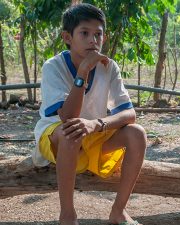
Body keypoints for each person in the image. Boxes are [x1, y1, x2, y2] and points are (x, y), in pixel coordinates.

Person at [33, 3, 146, 225]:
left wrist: (97, 123)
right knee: (70, 132)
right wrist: (83, 71)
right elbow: (67, 116)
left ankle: (118, 211)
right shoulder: (53, 67)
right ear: (67, 37)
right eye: (84, 33)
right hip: (58, 137)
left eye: (98, 34)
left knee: (137, 134)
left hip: (93, 134)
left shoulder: (109, 67)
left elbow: (129, 114)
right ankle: (67, 215)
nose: (93, 40)